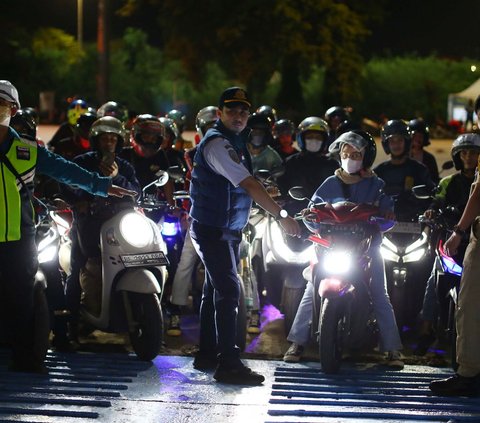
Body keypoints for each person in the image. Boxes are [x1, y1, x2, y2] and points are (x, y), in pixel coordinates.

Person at [0, 80, 135, 373]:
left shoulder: (28, 150)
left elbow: (66, 170)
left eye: (2, 105)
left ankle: (26, 358)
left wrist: (102, 186)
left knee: (22, 302)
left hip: (17, 240)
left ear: (13, 109)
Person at [189, 86, 301, 385]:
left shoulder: (234, 142)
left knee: (215, 290)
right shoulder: (217, 144)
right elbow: (248, 184)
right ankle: (228, 364)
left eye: (243, 111)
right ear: (220, 113)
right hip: (213, 229)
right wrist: (283, 216)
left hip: (227, 228)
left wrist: (266, 192)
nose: (238, 116)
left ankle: (208, 354)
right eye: (232, 110)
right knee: (228, 291)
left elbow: (243, 184)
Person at [283, 130, 404, 369]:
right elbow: (312, 213)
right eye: (346, 153)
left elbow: (387, 216)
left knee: (379, 293)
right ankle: (296, 343)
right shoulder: (329, 183)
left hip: (366, 249)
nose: (350, 157)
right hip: (330, 248)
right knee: (311, 289)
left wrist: (386, 216)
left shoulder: (376, 184)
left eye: (356, 154)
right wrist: (309, 216)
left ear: (366, 157)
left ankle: (392, 349)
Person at [63, 116, 141, 326]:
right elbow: (68, 187)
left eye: (112, 139)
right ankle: (69, 324)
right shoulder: (82, 162)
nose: (108, 143)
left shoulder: (124, 166)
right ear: (96, 141)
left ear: (119, 141)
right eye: (104, 139)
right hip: (88, 226)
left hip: (120, 227)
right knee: (77, 266)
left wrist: (116, 177)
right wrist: (81, 202)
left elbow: (135, 192)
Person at [415, 133, 480, 356]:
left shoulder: (477, 181)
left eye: (474, 153)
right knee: (434, 278)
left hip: (474, 241)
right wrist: (431, 211)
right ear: (458, 156)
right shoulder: (448, 182)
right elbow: (436, 200)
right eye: (465, 153)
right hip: (452, 243)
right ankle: (426, 330)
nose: (469, 157)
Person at [429, 128, 480, 396]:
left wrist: (459, 232)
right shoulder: (449, 182)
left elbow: (478, 194)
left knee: (469, 305)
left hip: (475, 240)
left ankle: (468, 373)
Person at [166, 106, 219, 337]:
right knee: (186, 261)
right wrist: (187, 213)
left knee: (240, 265)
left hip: (227, 219)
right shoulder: (193, 154)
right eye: (208, 128)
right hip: (199, 217)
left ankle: (250, 309)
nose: (213, 132)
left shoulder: (235, 150)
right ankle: (176, 309)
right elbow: (191, 186)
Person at [277, 116, 339, 200]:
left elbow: (338, 193)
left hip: (325, 210)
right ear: (301, 139)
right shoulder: (290, 163)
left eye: (318, 137)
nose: (314, 140)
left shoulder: (332, 165)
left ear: (324, 140)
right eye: (310, 137)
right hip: (293, 211)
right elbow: (281, 189)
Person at [373, 119, 435, 196]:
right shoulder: (379, 172)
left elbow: (431, 194)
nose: (396, 145)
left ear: (407, 142)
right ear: (386, 144)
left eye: (399, 140)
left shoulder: (419, 170)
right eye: (392, 141)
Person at [408, 118, 439, 184]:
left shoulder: (429, 158)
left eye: (420, 136)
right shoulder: (401, 156)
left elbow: (434, 180)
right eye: (414, 136)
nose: (417, 139)